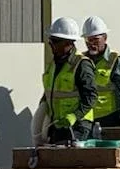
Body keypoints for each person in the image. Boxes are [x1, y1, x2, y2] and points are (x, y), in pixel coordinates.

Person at [32, 16, 97, 147]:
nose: (51, 44)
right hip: (57, 126)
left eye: (55, 41)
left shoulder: (81, 64)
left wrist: (74, 116)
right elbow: (49, 94)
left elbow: (91, 97)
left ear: (68, 43)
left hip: (78, 127)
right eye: (51, 40)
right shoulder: (53, 65)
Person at [81, 15, 120, 130]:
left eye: (95, 39)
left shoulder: (116, 61)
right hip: (87, 120)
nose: (91, 44)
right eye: (88, 40)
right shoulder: (81, 61)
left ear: (105, 37)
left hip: (110, 118)